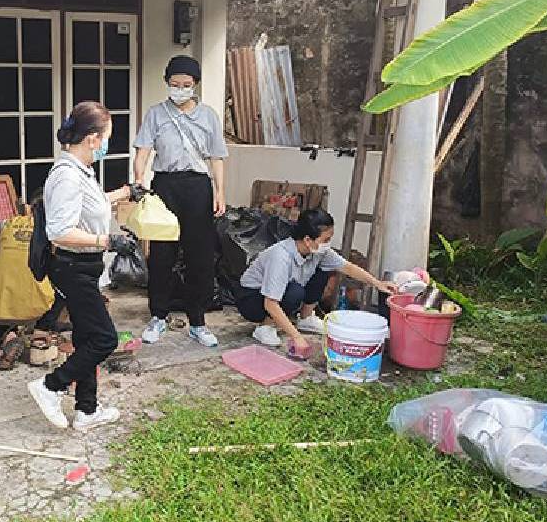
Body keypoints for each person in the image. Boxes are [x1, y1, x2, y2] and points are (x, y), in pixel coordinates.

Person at [27, 101, 142, 432]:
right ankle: (50, 387)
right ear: (93, 138)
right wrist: (107, 241)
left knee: (87, 336)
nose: (108, 144)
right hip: (71, 268)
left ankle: (87, 410)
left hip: (82, 267)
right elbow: (60, 230)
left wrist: (125, 192)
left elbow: (90, 204)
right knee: (104, 339)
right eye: (107, 137)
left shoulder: (80, 171)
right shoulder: (66, 177)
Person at [134, 55, 228, 349]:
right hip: (165, 186)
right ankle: (158, 316)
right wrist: (139, 181)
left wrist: (219, 191)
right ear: (167, 83)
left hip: (199, 187)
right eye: (175, 84)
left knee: (200, 256)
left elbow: (217, 158)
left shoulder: (209, 116)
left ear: (195, 85)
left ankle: (197, 321)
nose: (180, 89)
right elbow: (144, 151)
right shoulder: (155, 114)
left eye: (186, 85)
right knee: (162, 254)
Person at [236, 209, 396, 354]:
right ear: (307, 239)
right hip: (251, 299)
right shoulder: (281, 256)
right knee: (295, 292)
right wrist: (297, 337)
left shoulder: (319, 252)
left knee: (323, 271)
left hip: (277, 293)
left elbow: (347, 267)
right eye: (326, 239)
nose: (328, 244)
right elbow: (270, 303)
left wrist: (378, 284)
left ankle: (305, 318)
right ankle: (265, 327)